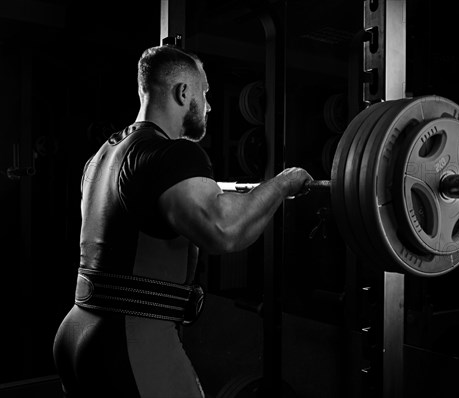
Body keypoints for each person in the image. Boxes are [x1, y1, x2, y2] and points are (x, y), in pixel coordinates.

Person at [53, 45, 312, 398]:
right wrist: (284, 183)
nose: (208, 106)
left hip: (77, 331)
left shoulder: (103, 156)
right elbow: (224, 230)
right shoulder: (172, 153)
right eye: (204, 94)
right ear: (183, 92)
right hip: (132, 338)